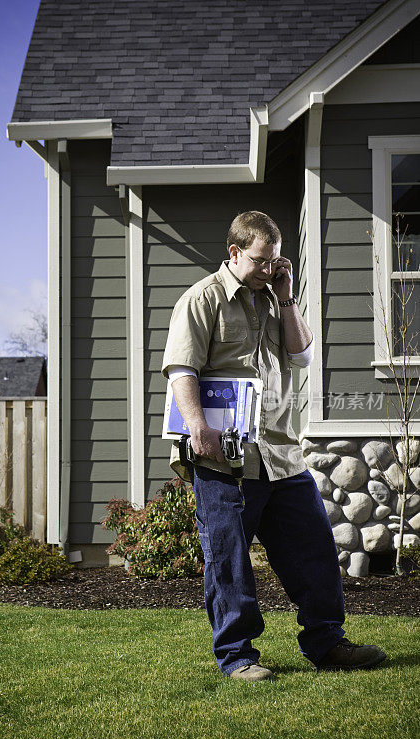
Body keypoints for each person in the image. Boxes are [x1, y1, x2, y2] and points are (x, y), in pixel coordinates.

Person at [161, 210, 387, 681]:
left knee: (314, 550)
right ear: (235, 252)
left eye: (275, 262)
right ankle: (238, 656)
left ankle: (327, 642)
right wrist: (198, 429)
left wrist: (286, 299)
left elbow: (302, 355)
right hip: (223, 458)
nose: (268, 270)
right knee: (229, 559)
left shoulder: (274, 298)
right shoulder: (202, 300)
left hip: (281, 453)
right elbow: (181, 370)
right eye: (261, 262)